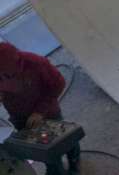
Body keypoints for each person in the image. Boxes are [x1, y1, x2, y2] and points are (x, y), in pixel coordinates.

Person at [0, 43, 79, 174]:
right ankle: (55, 169)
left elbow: (58, 84)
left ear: (16, 61)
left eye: (5, 71)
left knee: (63, 139)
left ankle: (74, 161)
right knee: (40, 146)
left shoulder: (36, 63)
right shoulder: (3, 69)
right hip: (19, 115)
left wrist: (39, 112)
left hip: (46, 112)